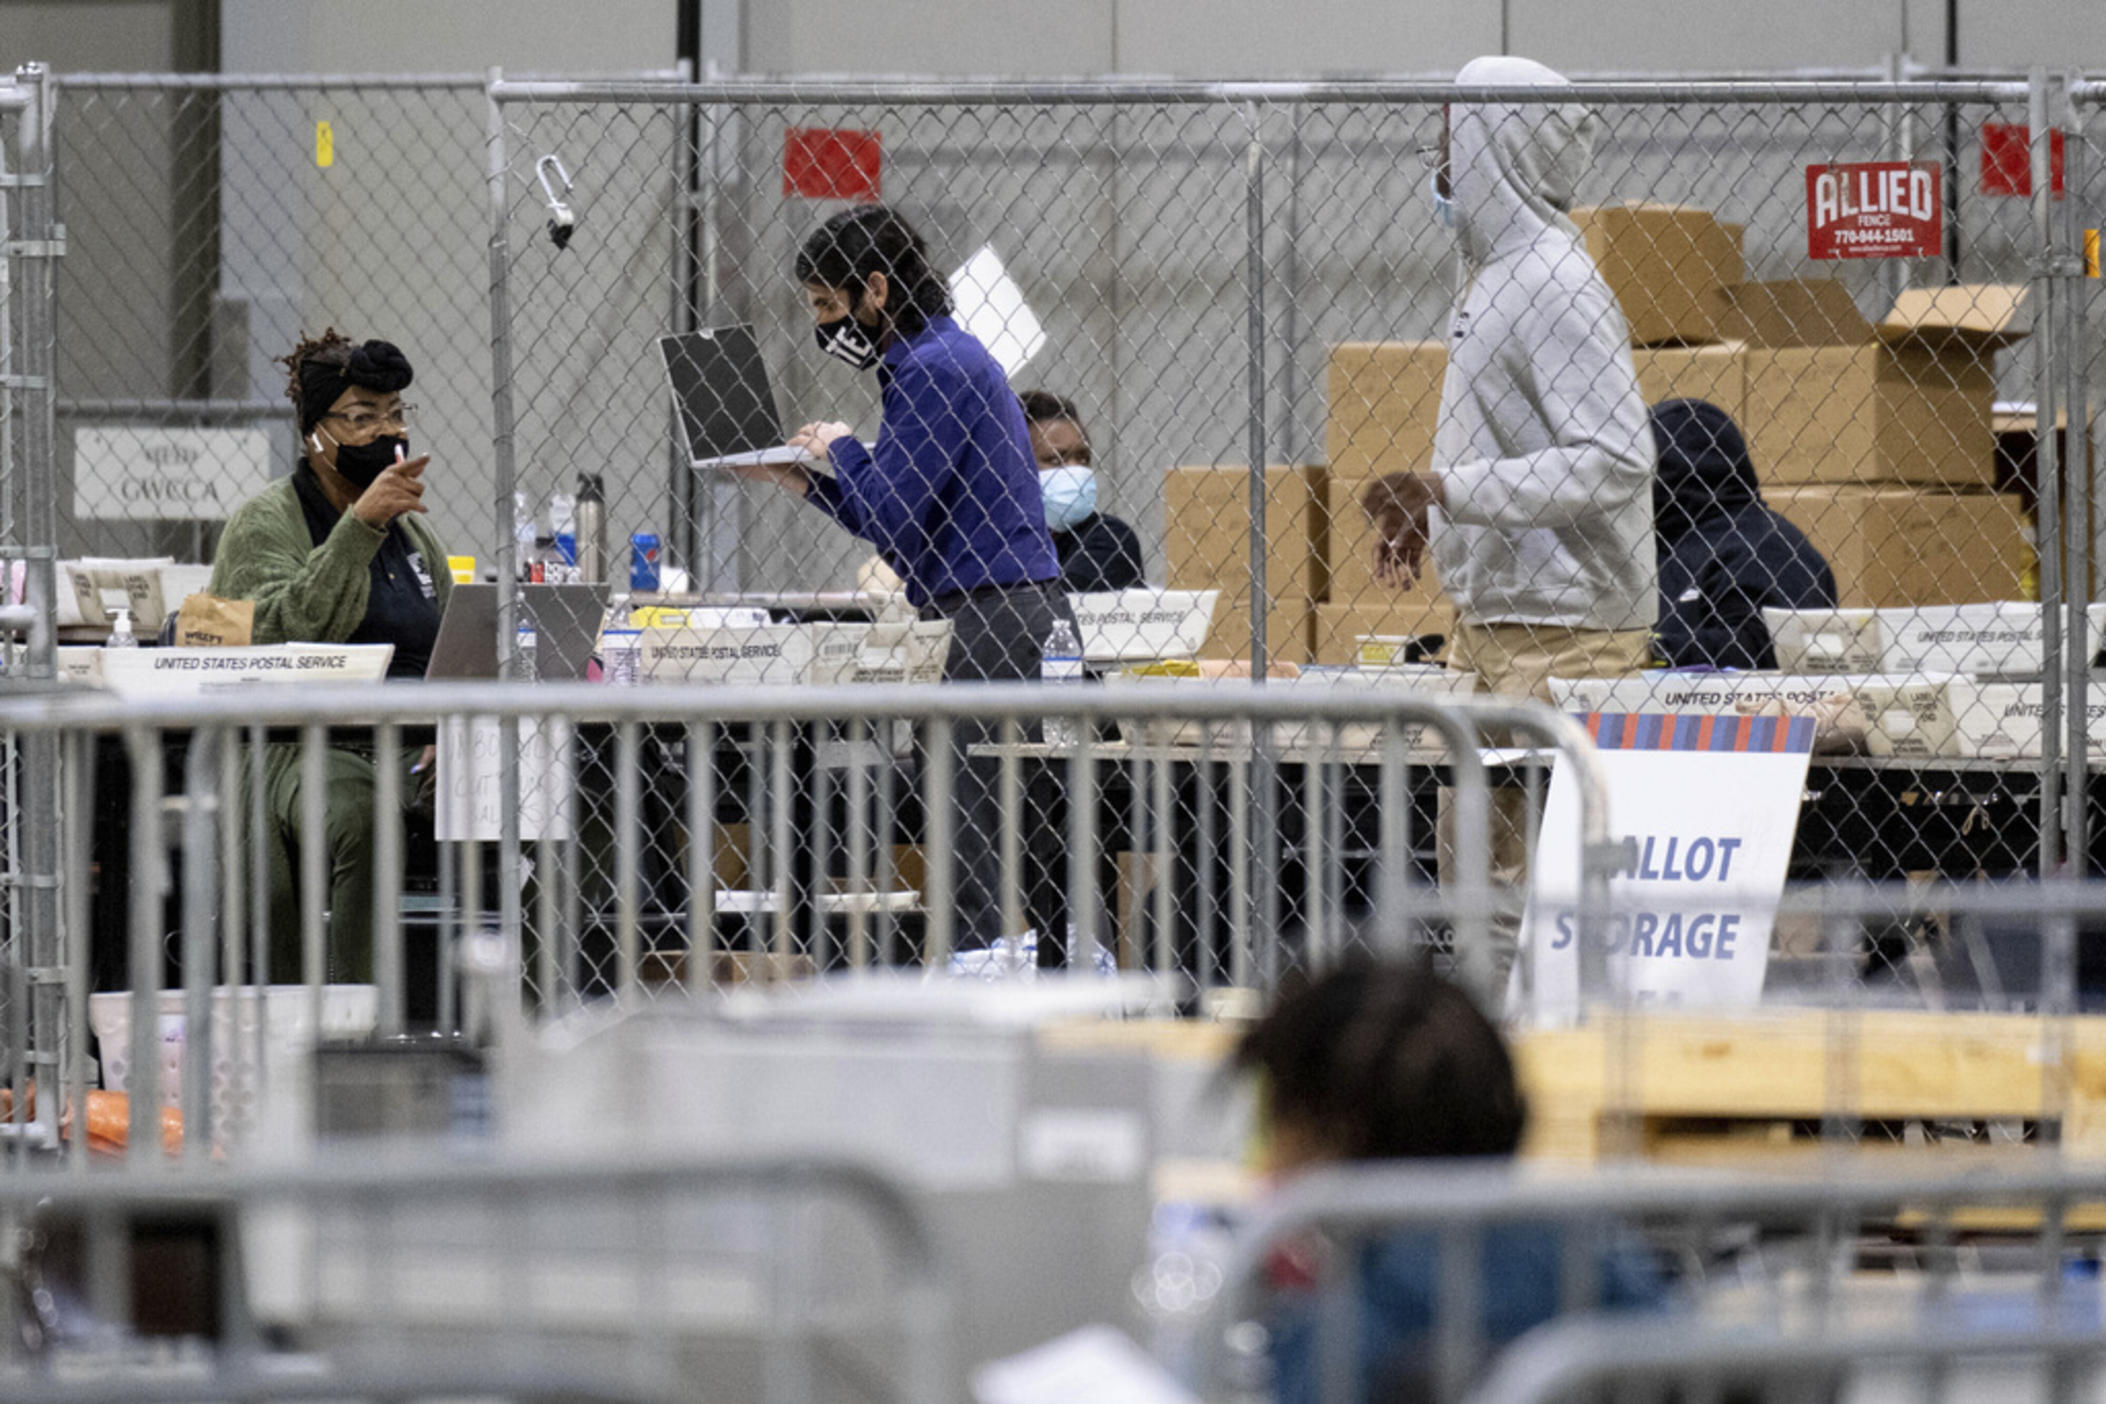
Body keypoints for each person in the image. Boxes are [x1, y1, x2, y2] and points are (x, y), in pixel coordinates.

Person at [1360, 56, 1656, 997]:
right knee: (1475, 900)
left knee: (1531, 907)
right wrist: (1437, 507)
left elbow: (1617, 457)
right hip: (1496, 626)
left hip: (1567, 636)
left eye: (1451, 136)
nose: (1439, 160)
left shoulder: (1556, 283)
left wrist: (1450, 490)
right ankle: (1485, 1091)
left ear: (1499, 142)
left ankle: (1529, 1106)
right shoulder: (1494, 278)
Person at [727, 204, 1069, 962]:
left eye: (826, 304)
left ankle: (981, 988)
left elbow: (889, 504)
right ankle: (1015, 974)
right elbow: (904, 518)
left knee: (970, 837)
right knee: (1003, 832)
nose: (822, 326)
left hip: (992, 618)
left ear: (874, 289)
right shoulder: (938, 360)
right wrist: (801, 479)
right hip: (1002, 611)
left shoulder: (932, 370)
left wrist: (845, 446)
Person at [1232, 959, 1663, 1403]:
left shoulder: (1348, 1329)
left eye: (1273, 1124)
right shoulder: (1595, 1257)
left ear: (1331, 1133)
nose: (1265, 1163)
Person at [210, 330, 450, 980]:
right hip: (308, 744)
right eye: (362, 417)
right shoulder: (264, 524)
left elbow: (452, 641)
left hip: (415, 748)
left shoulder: (415, 532)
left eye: (396, 413)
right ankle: (351, 1029)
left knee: (581, 804)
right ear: (315, 433)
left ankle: (531, 1016)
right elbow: (277, 630)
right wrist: (358, 529)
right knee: (360, 817)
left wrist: (455, 724)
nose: (386, 431)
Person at [1649, 397, 1838, 670]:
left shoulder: (1766, 546)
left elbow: (1763, 646)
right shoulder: (1667, 546)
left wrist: (1654, 651)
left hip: (1746, 710)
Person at [1019, 390, 1146, 593]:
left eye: (1083, 458)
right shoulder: (992, 538)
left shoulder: (1108, 538)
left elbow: (1054, 604)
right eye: (1055, 460)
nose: (1075, 470)